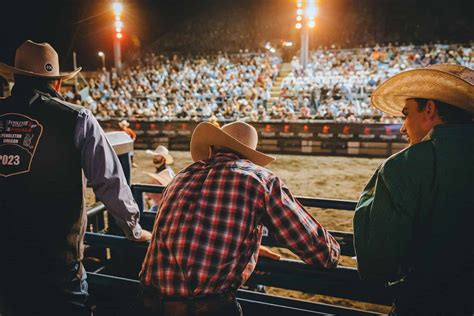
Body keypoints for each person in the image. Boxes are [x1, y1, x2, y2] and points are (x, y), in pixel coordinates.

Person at [0, 40, 151, 315]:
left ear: (15, 78)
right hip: (57, 264)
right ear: (57, 83)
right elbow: (109, 181)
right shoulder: (77, 118)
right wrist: (134, 229)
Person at [140, 121, 340, 315]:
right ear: (249, 155)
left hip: (150, 303)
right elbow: (319, 251)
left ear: (214, 148)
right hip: (205, 308)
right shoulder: (260, 179)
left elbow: (189, 233)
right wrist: (334, 250)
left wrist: (243, 245)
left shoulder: (180, 178)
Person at [353, 64, 474, 315]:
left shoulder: (403, 167)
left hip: (426, 302)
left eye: (406, 114)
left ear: (429, 109)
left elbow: (377, 263)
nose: (402, 127)